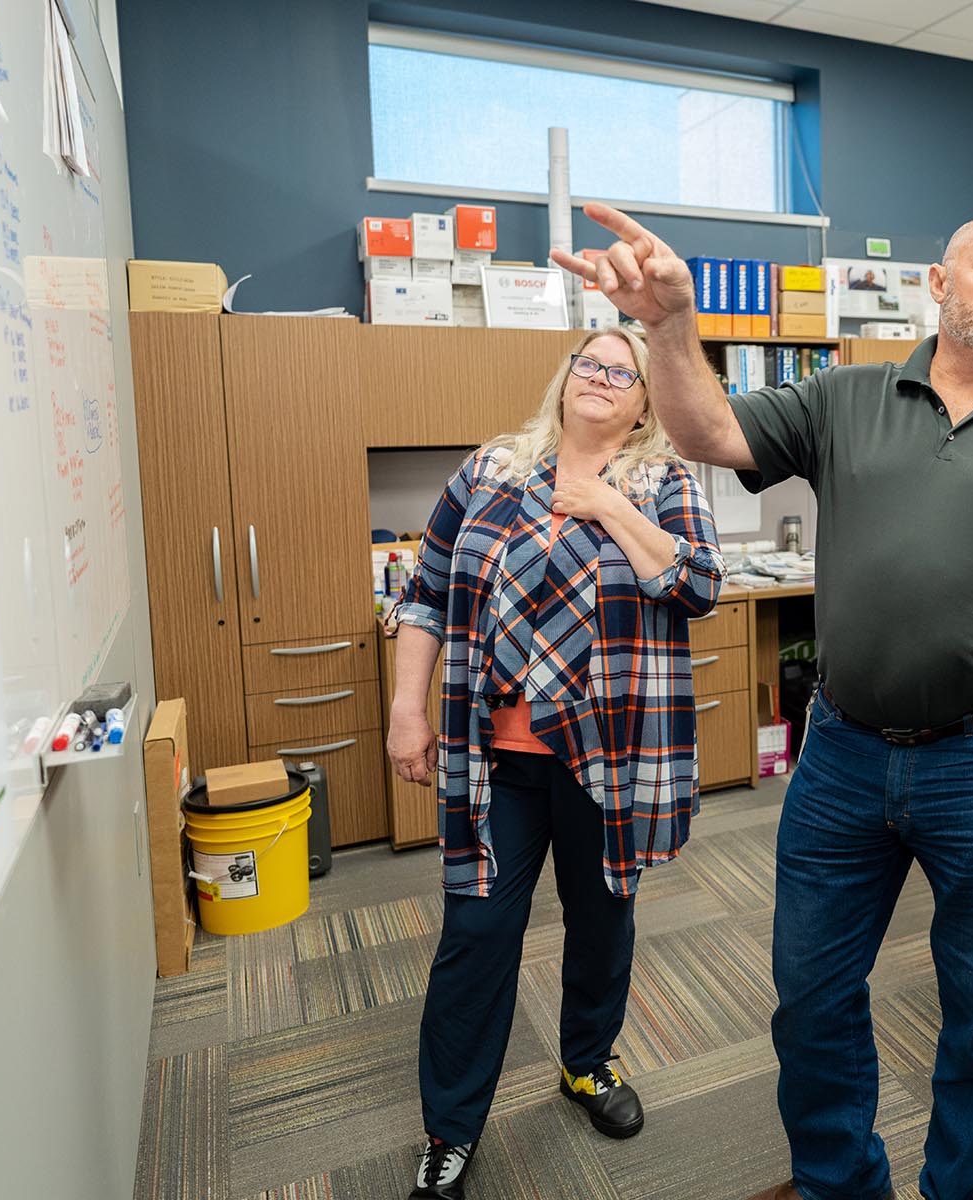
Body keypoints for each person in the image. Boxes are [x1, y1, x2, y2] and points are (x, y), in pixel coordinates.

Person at [554, 207, 973, 1200]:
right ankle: (842, 1183)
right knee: (813, 996)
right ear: (937, 285)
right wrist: (667, 324)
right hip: (844, 756)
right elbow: (709, 431)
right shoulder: (848, 397)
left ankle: (962, 1189)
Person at [384, 327, 725, 1200]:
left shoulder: (663, 480)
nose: (604, 379)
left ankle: (587, 1064)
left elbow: (696, 586)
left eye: (626, 372)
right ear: (567, 376)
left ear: (647, 400)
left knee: (603, 914)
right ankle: (449, 1132)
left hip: (612, 756)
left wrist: (606, 505)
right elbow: (423, 594)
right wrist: (406, 709)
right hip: (494, 756)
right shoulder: (492, 468)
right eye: (592, 363)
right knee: (477, 934)